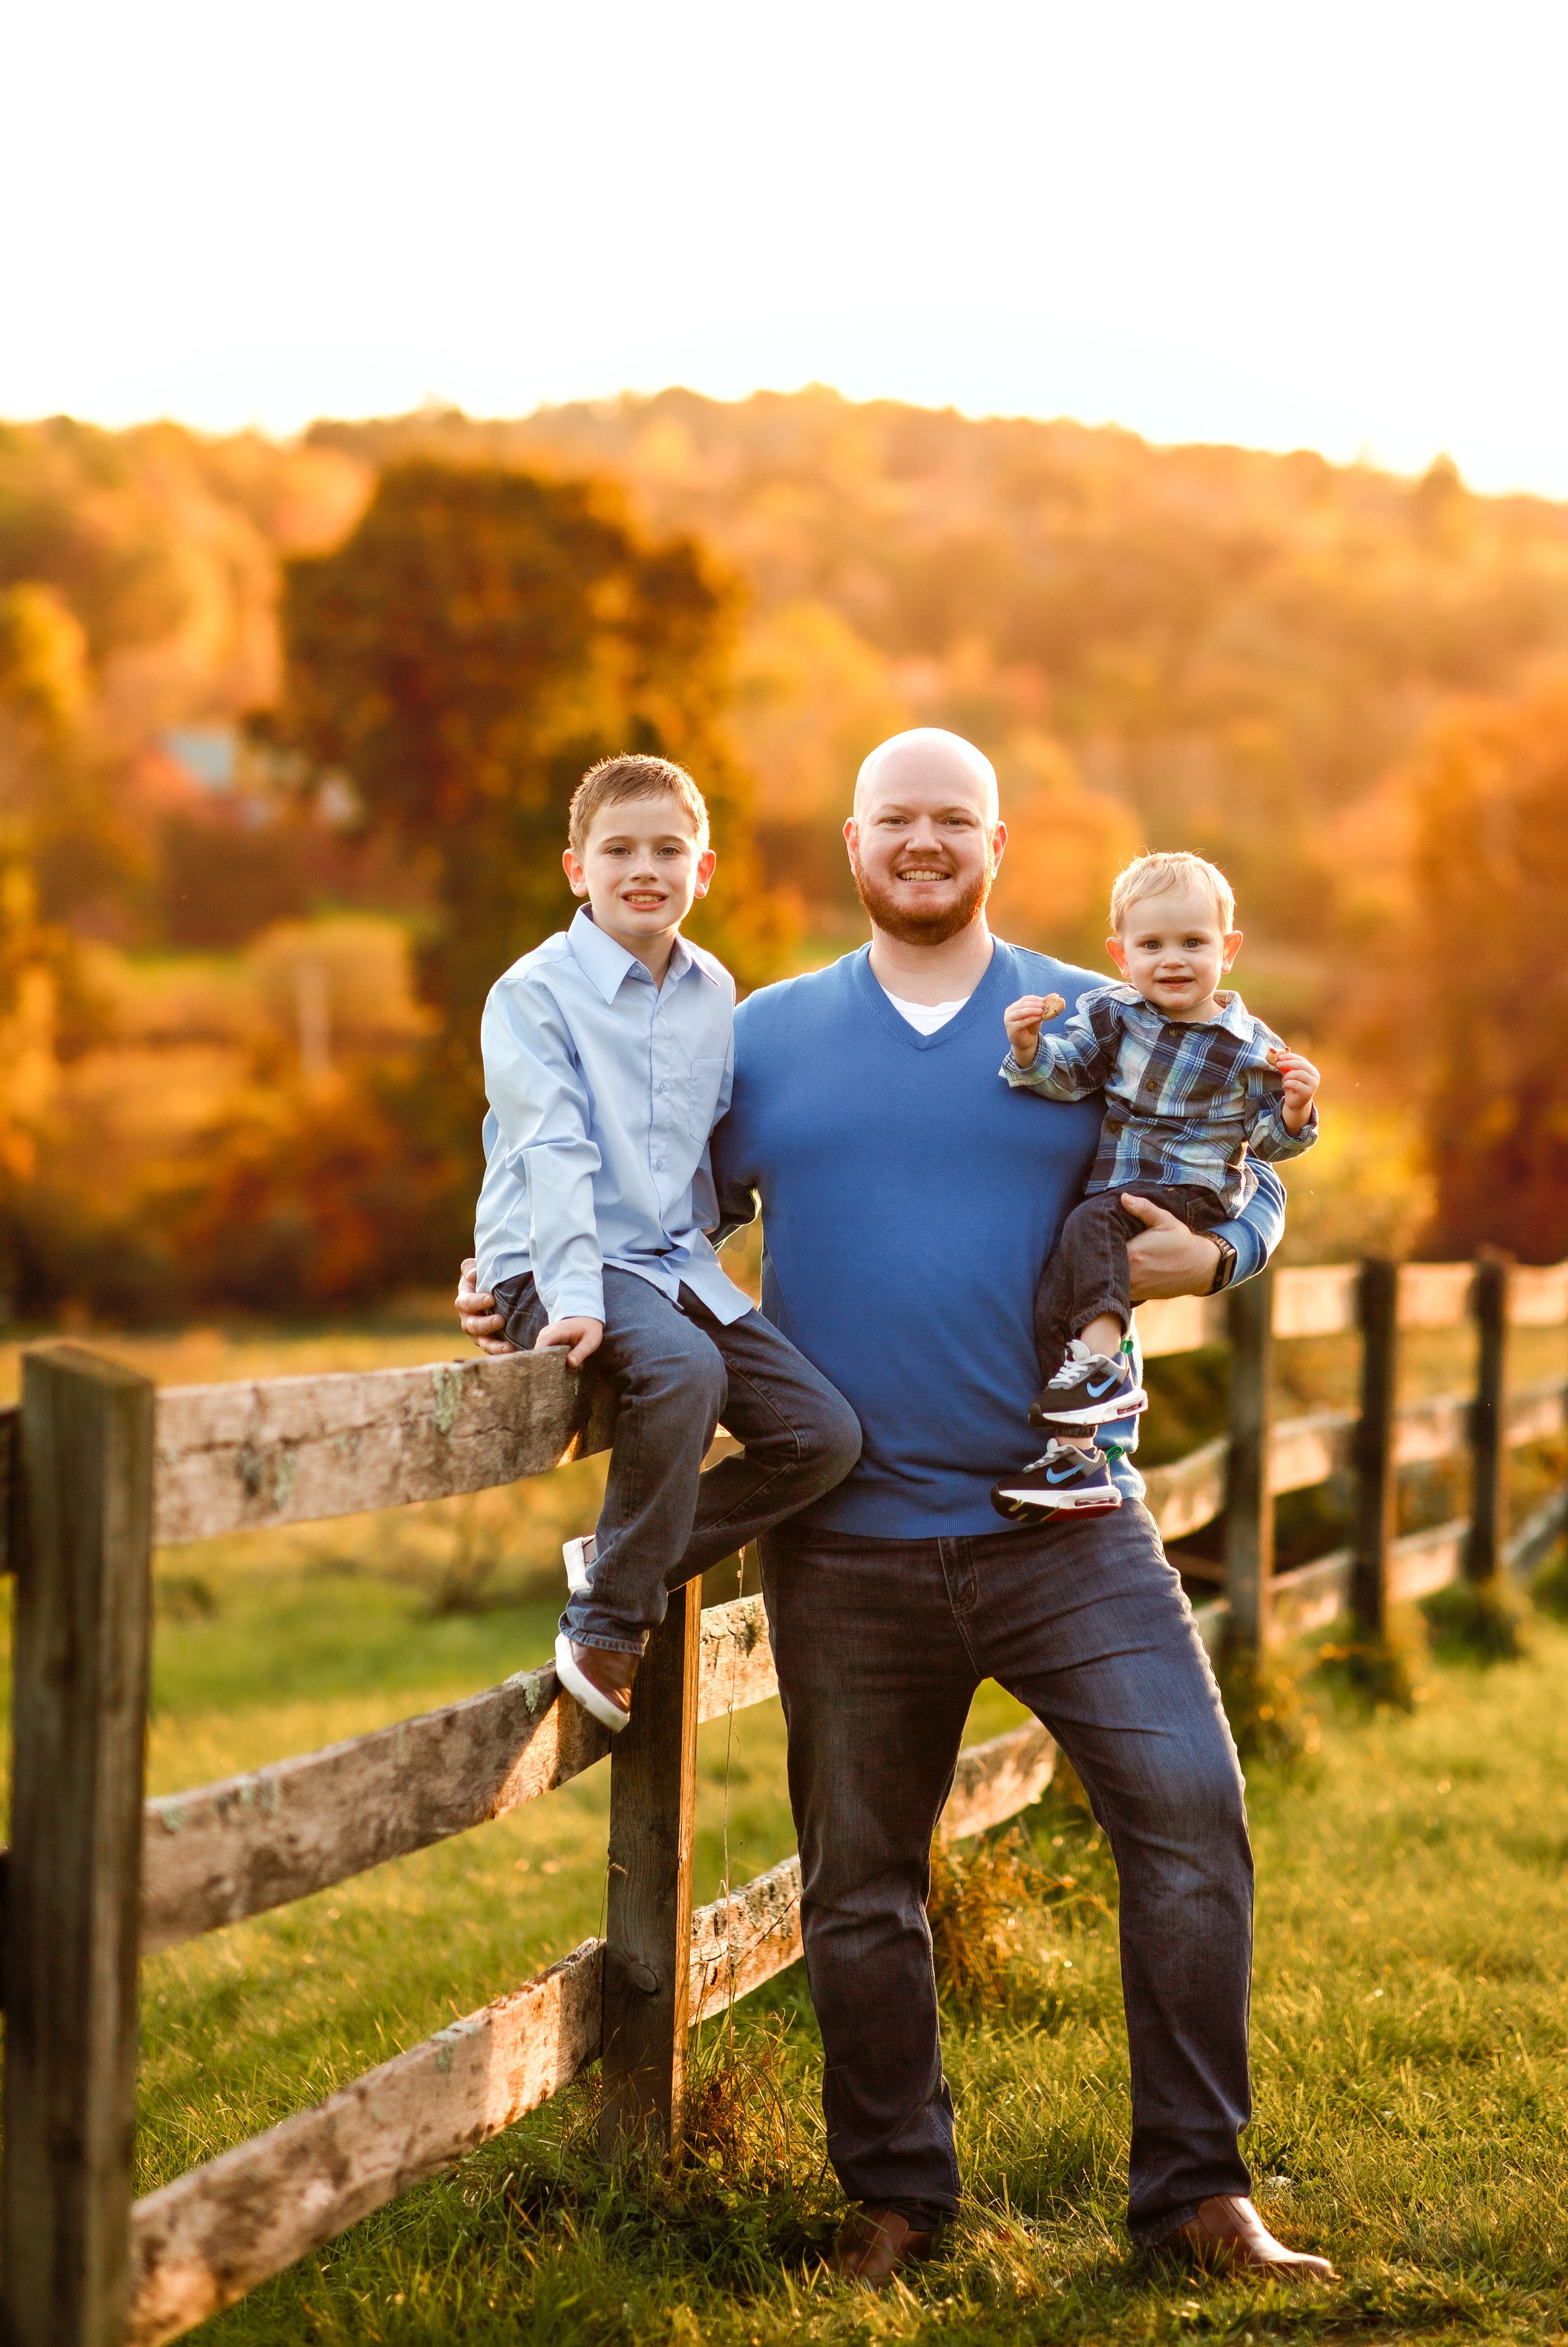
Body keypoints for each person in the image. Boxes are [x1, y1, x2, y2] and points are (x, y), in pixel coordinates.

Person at [459, 729, 1334, 2285]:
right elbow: (644, 1194)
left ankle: (1197, 2197)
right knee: (858, 1885)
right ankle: (896, 2200)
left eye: (954, 820)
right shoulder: (767, 1036)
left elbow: (1245, 1147)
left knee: (1191, 1817)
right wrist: (516, 1270)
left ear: (996, 842)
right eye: (896, 819)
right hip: (849, 1544)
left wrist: (1232, 1249)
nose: (924, 843)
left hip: (1071, 1522)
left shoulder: (1098, 1013)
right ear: (852, 842)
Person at [473, 750, 859, 1738]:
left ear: (705, 868)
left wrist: (711, 1242)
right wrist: (563, 1296)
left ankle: (621, 1555)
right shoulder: (533, 992)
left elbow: (701, 1144)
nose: (643, 867)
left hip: (668, 1261)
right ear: (576, 868)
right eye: (618, 848)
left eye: (667, 848)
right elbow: (547, 1144)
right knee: (684, 1371)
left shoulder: (711, 988)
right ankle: (607, 1618)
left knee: (825, 1436)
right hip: (559, 1261)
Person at [990, 848, 1319, 1522]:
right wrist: (1028, 1050)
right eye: (1153, 944)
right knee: (1060, 1295)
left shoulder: (1251, 1046)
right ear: (1121, 955)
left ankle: (1104, 1375)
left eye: (1193, 942)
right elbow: (1069, 1072)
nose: (1173, 959)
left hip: (1190, 1190)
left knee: (1089, 1228)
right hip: (1118, 1187)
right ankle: (1075, 1455)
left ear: (1228, 949)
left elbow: (1269, 1149)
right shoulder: (1113, 1015)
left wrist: (1294, 1110)